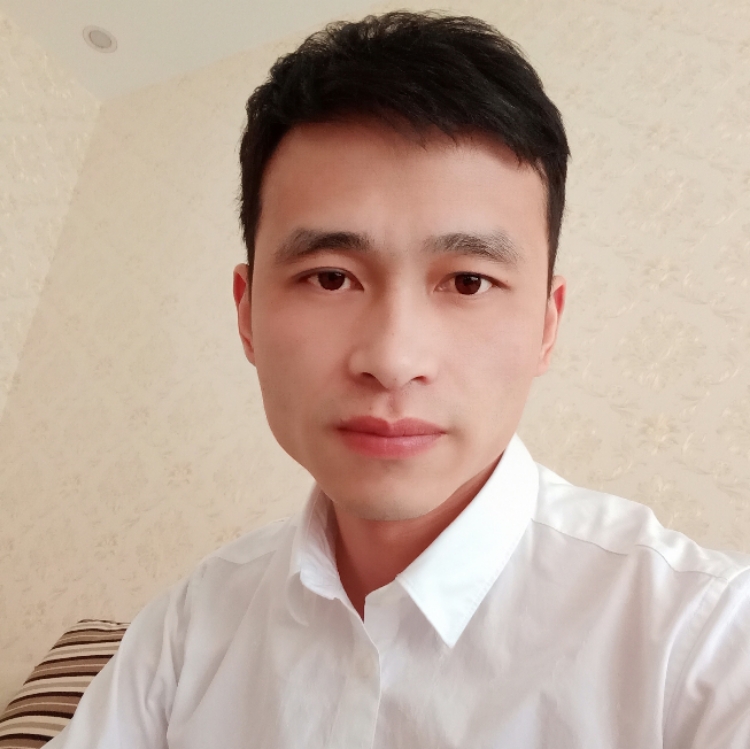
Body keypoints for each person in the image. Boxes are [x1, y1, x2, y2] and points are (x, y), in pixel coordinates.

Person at [48, 11, 750, 748]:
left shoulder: (703, 641)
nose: (392, 358)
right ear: (247, 313)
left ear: (547, 325)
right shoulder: (187, 630)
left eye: (469, 281)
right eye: (330, 277)